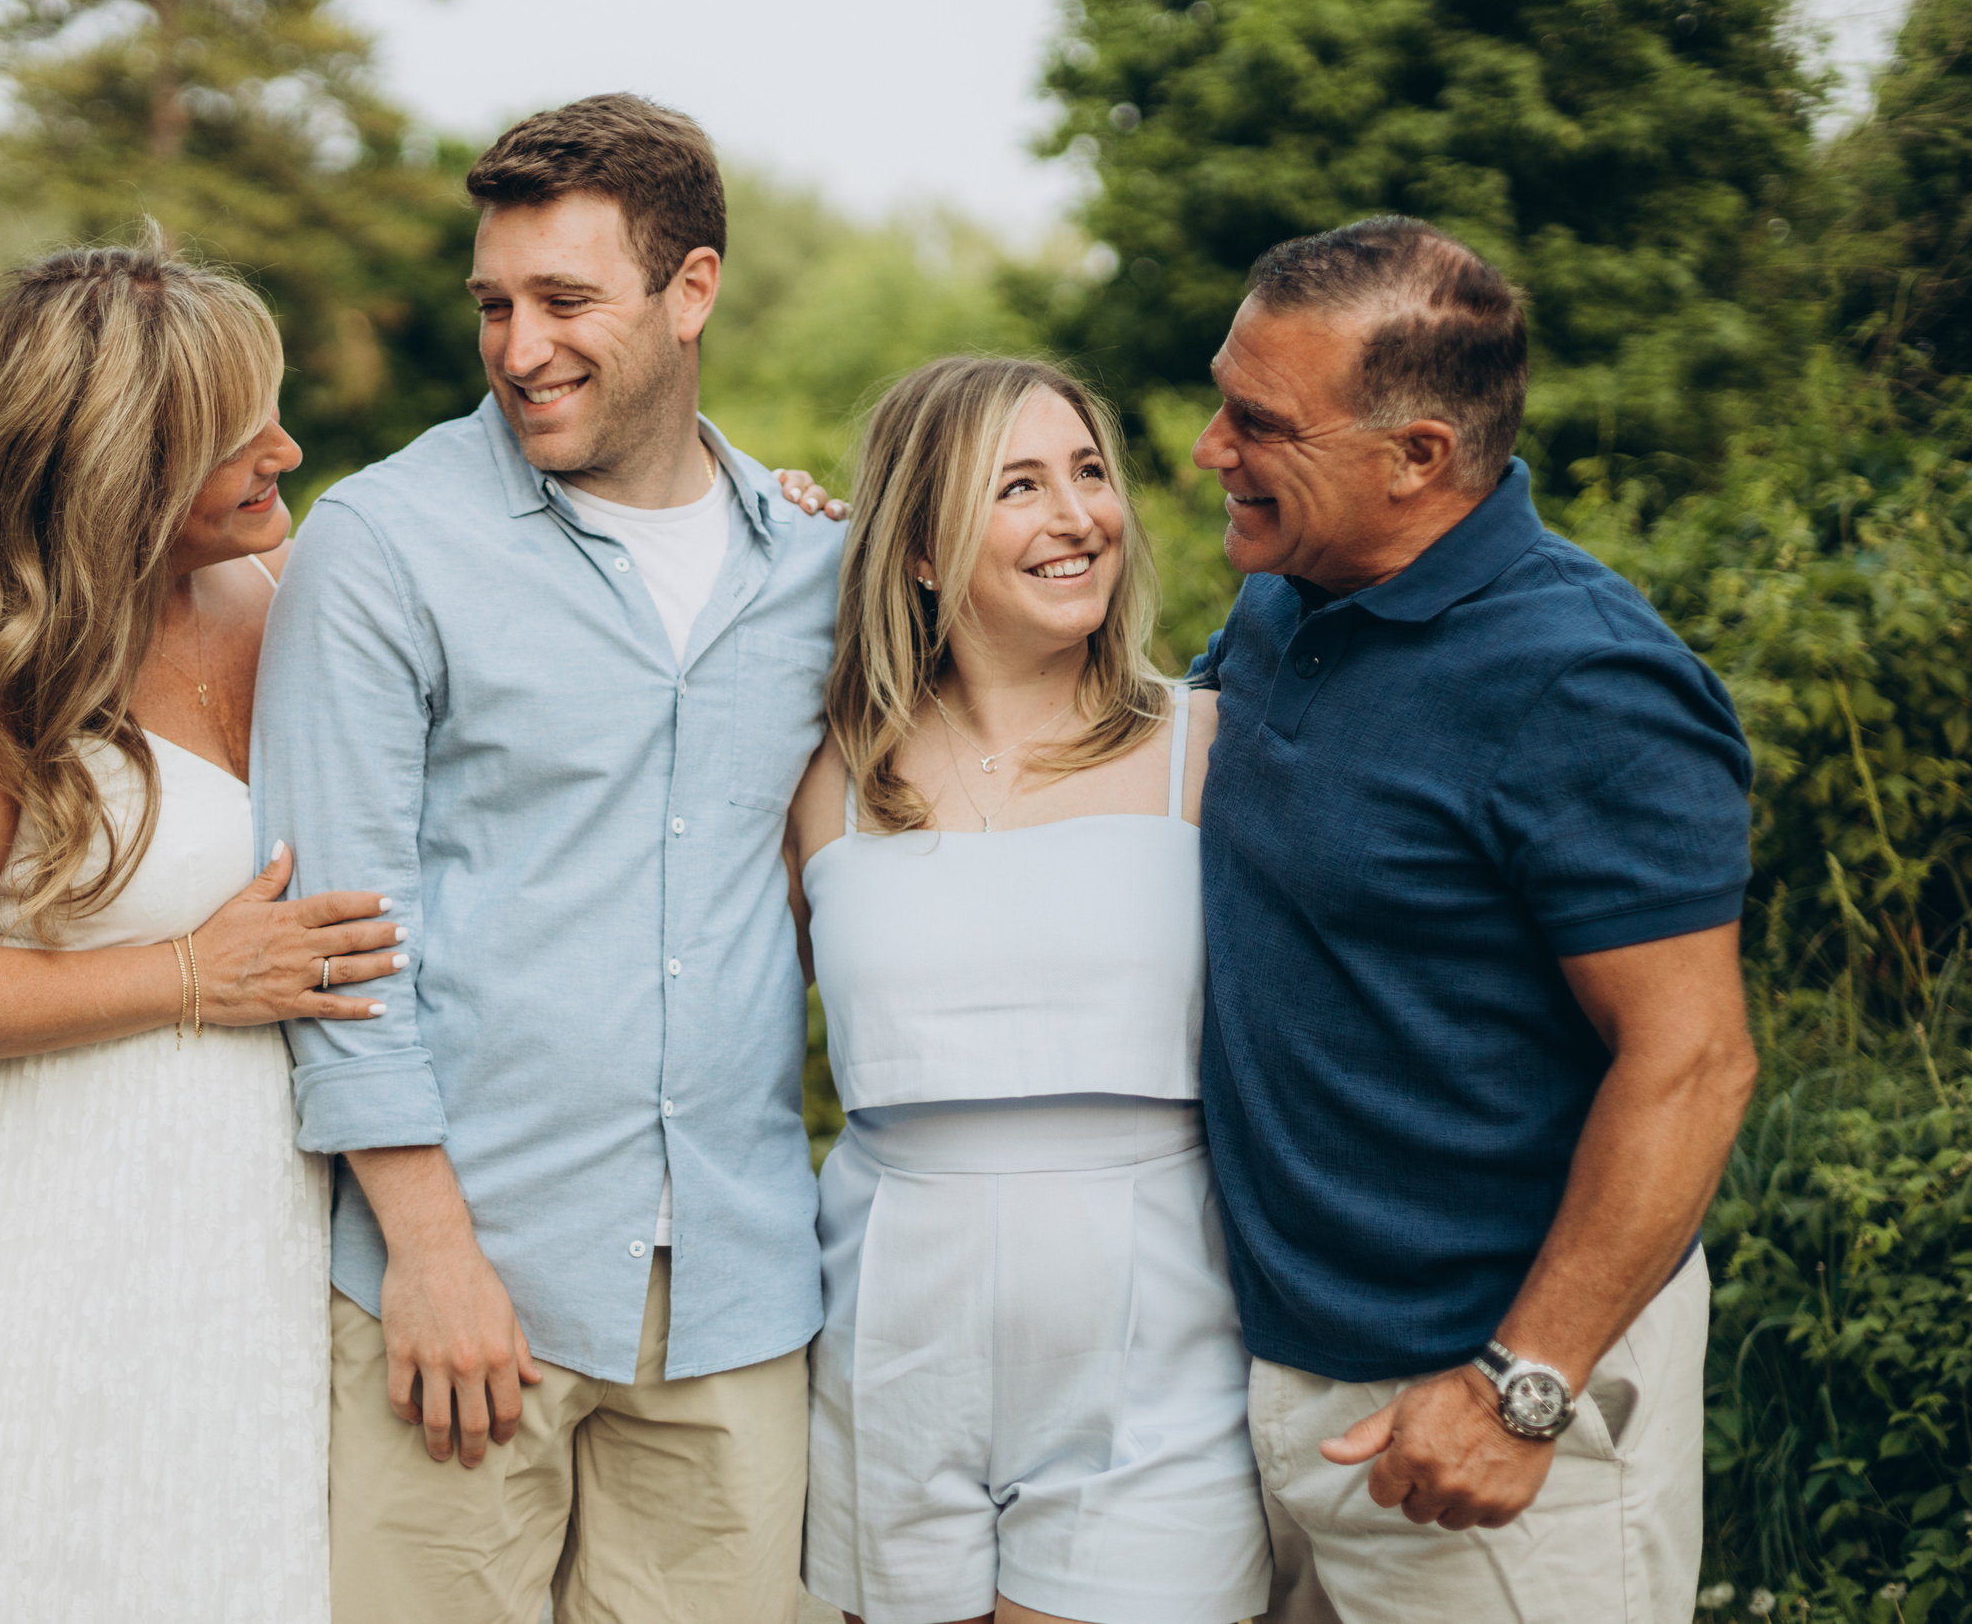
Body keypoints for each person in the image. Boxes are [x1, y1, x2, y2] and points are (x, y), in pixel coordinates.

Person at [250, 94, 844, 1624]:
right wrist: (431, 1250)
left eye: (568, 301)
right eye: (495, 305)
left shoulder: (817, 568)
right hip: (467, 1289)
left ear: (691, 290)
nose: (521, 348)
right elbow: (337, 931)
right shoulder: (379, 544)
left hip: (734, 1290)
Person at [0, 241, 401, 1624]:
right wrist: (185, 973)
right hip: (24, 1212)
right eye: (245, 429)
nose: (289, 445)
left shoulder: (285, 586)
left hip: (245, 1217)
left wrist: (746, 516)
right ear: (129, 453)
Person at [1186, 217, 1758, 1622]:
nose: (1211, 446)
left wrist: (1523, 1384)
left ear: (1419, 456)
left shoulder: (1585, 677)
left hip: (1481, 1422)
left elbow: (1693, 1059)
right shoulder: (1283, 602)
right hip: (1252, 1390)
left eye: (1259, 422)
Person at [783, 356, 1271, 1624]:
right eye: (1019, 486)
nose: (1077, 518)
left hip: (1159, 1321)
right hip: (889, 1316)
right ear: (923, 550)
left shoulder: (1208, 747)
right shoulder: (824, 773)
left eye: (1089, 474)